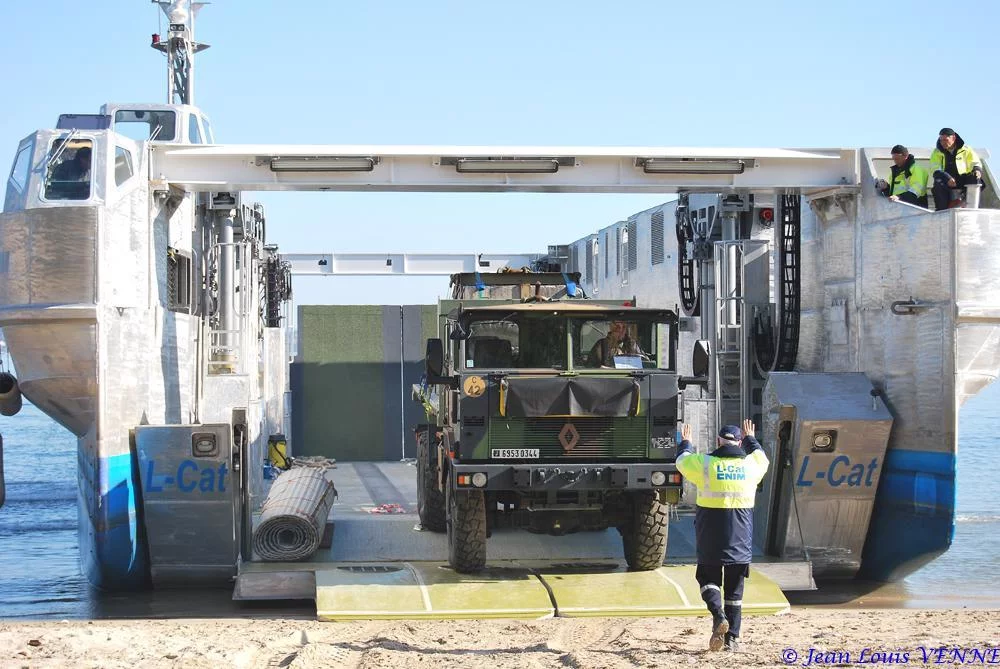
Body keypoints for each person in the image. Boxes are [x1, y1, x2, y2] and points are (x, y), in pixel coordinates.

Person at [676, 419, 769, 652]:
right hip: (741, 536)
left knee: (708, 579)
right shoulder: (751, 466)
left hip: (711, 533)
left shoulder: (705, 464)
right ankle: (733, 640)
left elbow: (682, 461)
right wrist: (751, 437)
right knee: (735, 591)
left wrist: (686, 442)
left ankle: (718, 616)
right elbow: (761, 457)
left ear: (718, 441)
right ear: (739, 442)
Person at [929, 128, 983, 211]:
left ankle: (973, 208)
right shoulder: (936, 152)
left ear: (953, 138)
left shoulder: (966, 149)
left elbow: (975, 162)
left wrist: (977, 170)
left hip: (963, 179)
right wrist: (947, 178)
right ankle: (941, 210)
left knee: (976, 178)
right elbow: (935, 169)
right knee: (938, 183)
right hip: (946, 180)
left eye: (946, 140)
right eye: (941, 140)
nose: (943, 143)